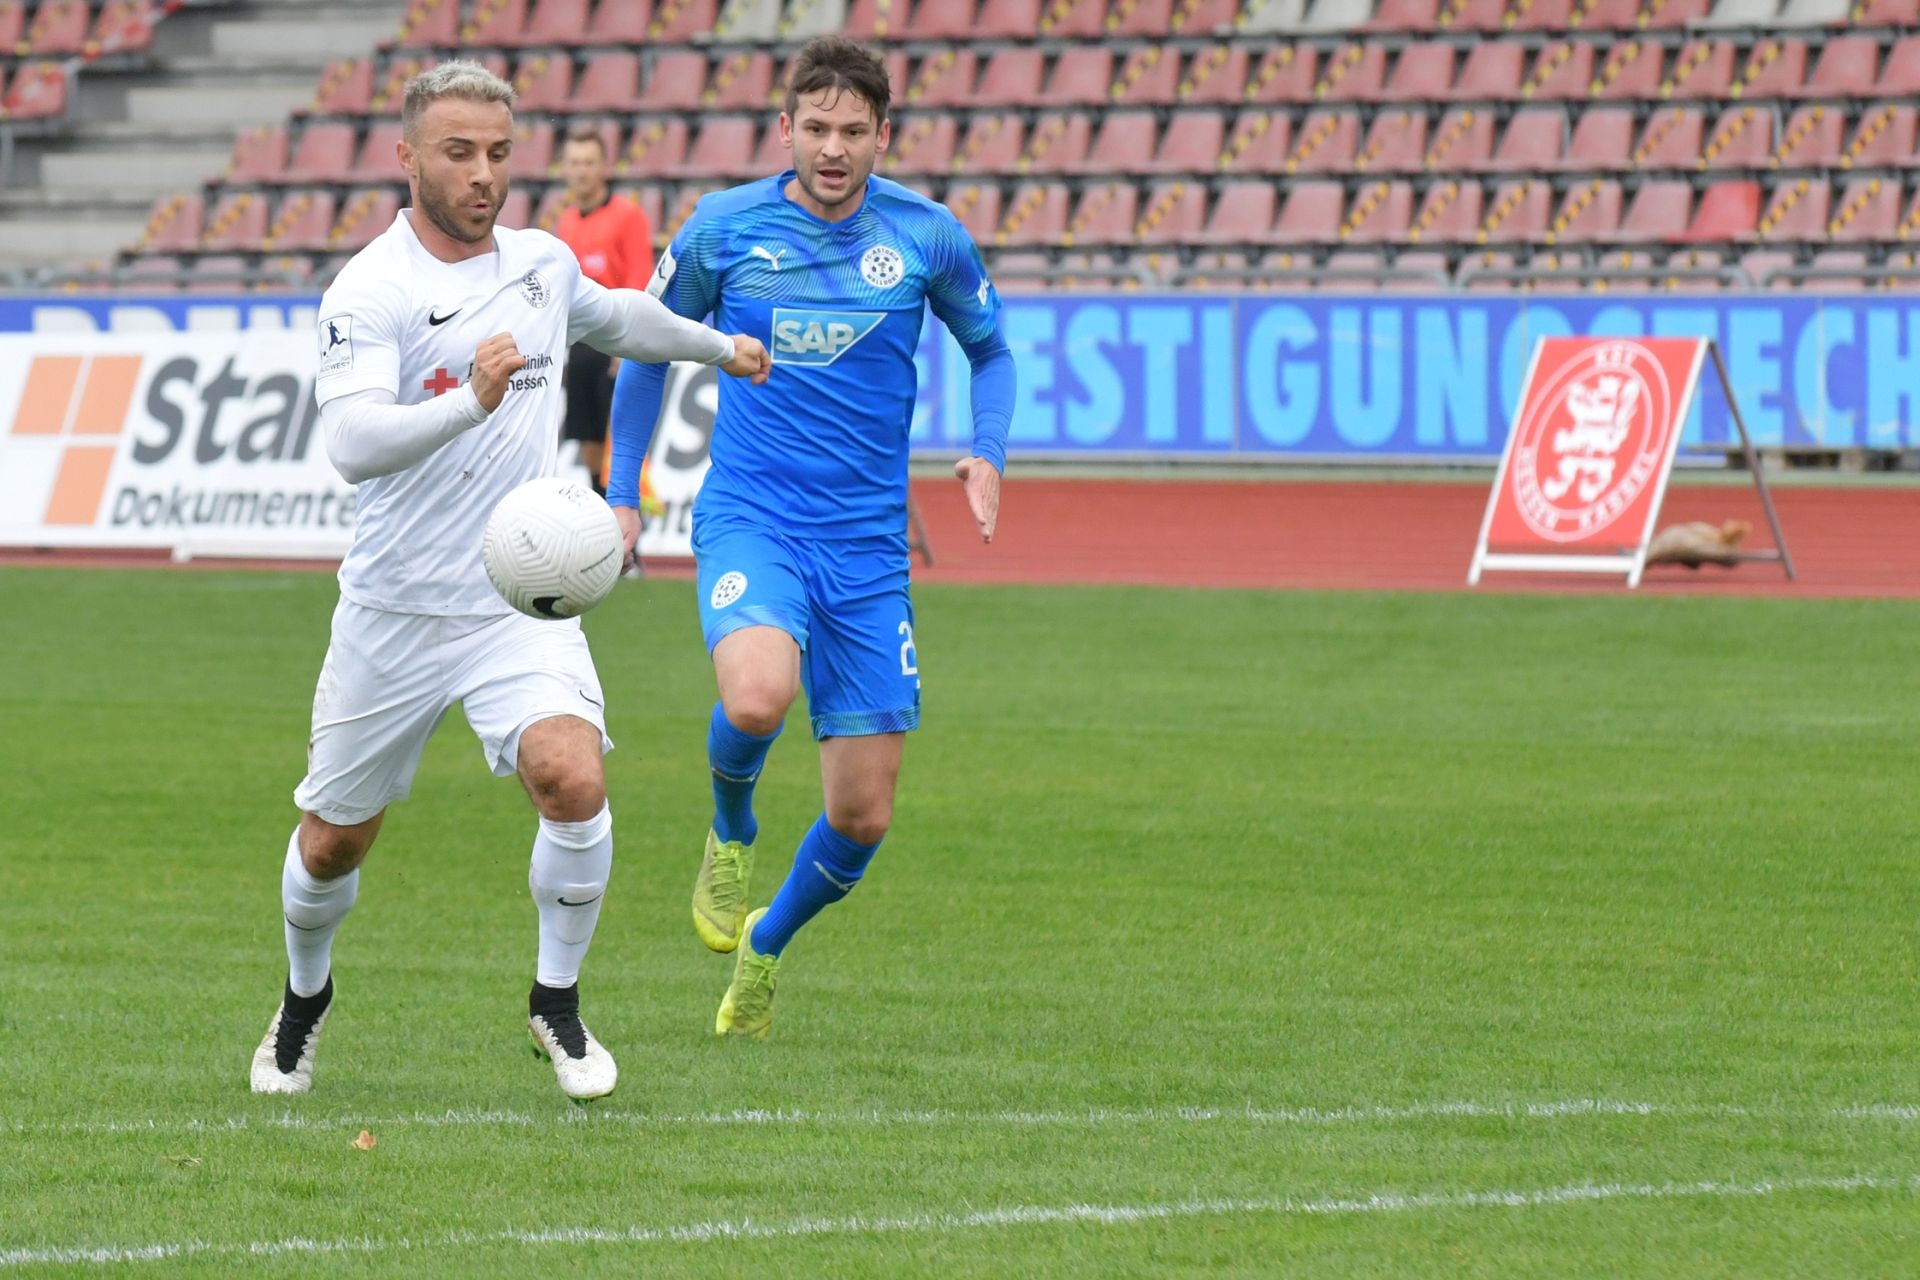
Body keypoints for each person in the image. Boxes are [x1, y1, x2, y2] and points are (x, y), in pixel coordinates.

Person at [248, 61, 770, 1100]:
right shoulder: (372, 289)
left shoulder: (539, 263)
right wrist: (469, 401)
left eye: (496, 152)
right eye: (458, 152)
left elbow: (617, 317)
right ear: (407, 157)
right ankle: (304, 1001)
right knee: (335, 841)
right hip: (395, 608)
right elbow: (351, 443)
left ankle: (556, 1003)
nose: (482, 173)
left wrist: (720, 347)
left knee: (573, 777)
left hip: (514, 601)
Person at [607, 35, 1013, 1039]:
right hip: (756, 519)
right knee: (757, 694)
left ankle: (766, 943)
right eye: (817, 129)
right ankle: (731, 829)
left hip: (869, 551)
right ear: (786, 129)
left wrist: (987, 451)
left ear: (885, 136)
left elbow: (991, 350)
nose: (834, 149)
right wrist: (623, 491)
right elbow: (645, 347)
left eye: (854, 132)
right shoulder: (724, 228)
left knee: (863, 816)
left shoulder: (926, 236)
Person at [553, 125, 654, 496]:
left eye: (589, 163)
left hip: (616, 342)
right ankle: (601, 512)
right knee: (587, 437)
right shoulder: (567, 220)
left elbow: (639, 279)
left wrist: (626, 346)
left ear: (604, 167)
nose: (581, 171)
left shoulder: (628, 216)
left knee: (620, 441)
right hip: (582, 346)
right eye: (575, 163)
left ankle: (628, 522)